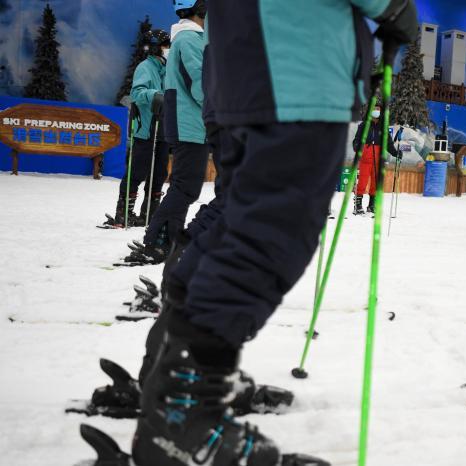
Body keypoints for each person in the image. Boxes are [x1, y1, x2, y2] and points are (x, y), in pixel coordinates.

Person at [130, 1, 418, 464]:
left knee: (237, 223)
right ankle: (185, 414)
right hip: (293, 67)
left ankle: (172, 379)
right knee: (269, 236)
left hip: (247, 68)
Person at [129, 0, 209, 263]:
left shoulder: (191, 39)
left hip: (192, 124)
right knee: (185, 187)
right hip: (191, 124)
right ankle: (158, 242)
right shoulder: (189, 40)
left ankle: (166, 239)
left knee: (186, 186)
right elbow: (202, 84)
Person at [103, 29, 171, 228]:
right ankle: (124, 213)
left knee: (159, 174)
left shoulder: (168, 69)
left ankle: (149, 213)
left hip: (164, 130)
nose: (169, 49)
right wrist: (155, 95)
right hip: (146, 129)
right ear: (156, 48)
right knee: (138, 171)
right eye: (166, 46)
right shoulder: (145, 67)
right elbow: (137, 93)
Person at [352, 103, 399, 215]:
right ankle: (358, 205)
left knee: (375, 183)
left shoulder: (383, 127)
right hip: (365, 157)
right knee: (362, 182)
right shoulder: (364, 125)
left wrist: (395, 153)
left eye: (378, 109)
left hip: (378, 158)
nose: (376, 111)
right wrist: (357, 146)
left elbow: (388, 143)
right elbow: (357, 139)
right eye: (374, 109)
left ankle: (371, 205)